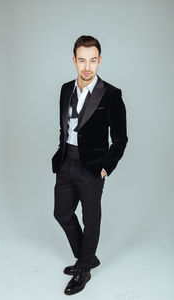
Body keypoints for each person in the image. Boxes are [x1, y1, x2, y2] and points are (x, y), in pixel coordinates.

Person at [51, 35, 128, 295]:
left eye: (92, 61)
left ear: (99, 61)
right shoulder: (64, 89)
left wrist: (107, 166)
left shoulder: (112, 94)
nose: (87, 67)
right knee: (61, 213)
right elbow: (66, 127)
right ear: (74, 60)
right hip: (67, 161)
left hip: (93, 167)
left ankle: (84, 269)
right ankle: (87, 257)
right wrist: (60, 152)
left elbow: (120, 138)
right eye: (82, 60)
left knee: (90, 218)